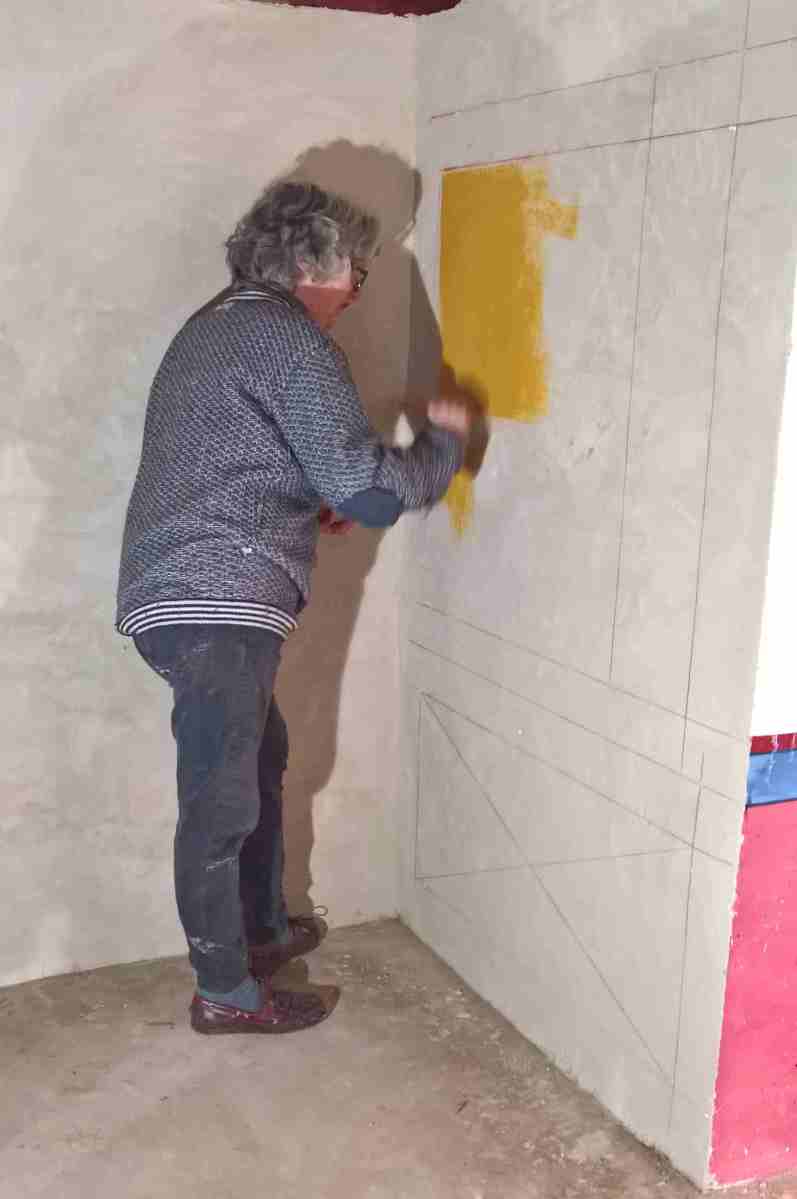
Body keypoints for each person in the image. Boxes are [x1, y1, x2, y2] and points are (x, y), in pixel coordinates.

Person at [115, 180, 470, 1035]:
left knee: (257, 756)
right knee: (221, 797)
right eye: (356, 272)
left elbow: (233, 458)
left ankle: (260, 929)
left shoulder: (218, 324)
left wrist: (313, 499)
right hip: (218, 597)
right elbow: (370, 489)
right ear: (315, 263)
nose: (356, 292)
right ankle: (224, 990)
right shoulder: (286, 336)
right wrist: (444, 445)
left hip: (183, 591)